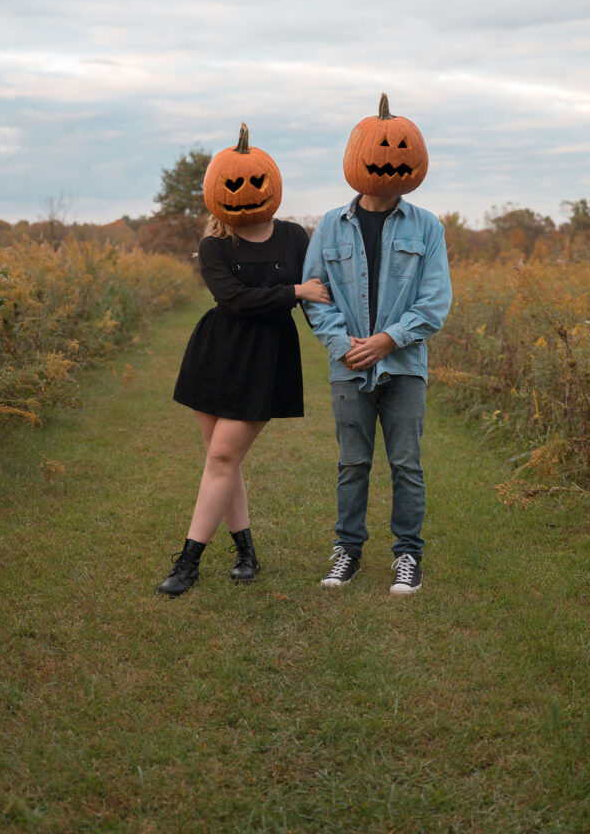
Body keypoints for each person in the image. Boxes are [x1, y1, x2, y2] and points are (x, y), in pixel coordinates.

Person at [157, 123, 330, 597]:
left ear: (271, 184)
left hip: (265, 359)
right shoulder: (216, 245)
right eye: (234, 184)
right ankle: (246, 553)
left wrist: (343, 344)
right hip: (215, 354)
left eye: (254, 182)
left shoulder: (296, 236)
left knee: (222, 456)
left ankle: (188, 563)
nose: (245, 192)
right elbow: (234, 299)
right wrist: (293, 290)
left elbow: (320, 299)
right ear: (218, 192)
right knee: (222, 461)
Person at [302, 94, 452, 595]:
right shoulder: (328, 226)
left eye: (399, 147)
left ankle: (408, 555)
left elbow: (434, 302)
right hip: (348, 365)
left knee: (406, 463)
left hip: (405, 366)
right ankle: (347, 551)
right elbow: (315, 298)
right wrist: (343, 345)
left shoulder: (427, 226)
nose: (389, 155)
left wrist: (388, 340)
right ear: (356, 154)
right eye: (379, 146)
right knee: (352, 463)